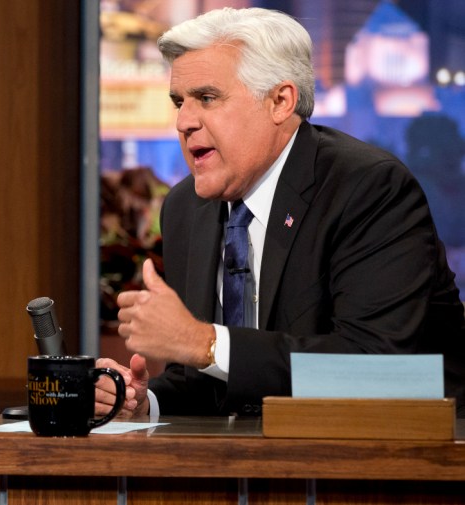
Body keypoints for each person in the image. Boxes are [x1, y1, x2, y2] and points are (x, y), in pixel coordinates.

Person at [94, 7, 465, 419]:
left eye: (207, 98)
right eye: (179, 101)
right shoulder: (187, 208)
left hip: (400, 460)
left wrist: (204, 343)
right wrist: (145, 400)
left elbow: (373, 366)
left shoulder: (369, 190)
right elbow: (212, 377)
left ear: (280, 101)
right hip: (248, 467)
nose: (183, 121)